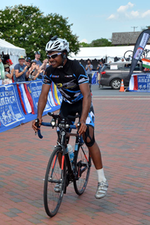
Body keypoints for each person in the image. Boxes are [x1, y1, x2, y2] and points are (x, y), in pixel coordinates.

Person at [32, 36, 108, 199]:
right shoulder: (50, 71)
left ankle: (102, 180)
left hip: (83, 104)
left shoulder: (76, 68)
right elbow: (44, 95)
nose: (50, 59)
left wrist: (82, 120)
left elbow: (87, 95)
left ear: (64, 54)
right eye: (49, 55)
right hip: (67, 105)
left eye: (54, 55)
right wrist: (38, 117)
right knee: (61, 140)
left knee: (88, 138)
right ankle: (65, 174)